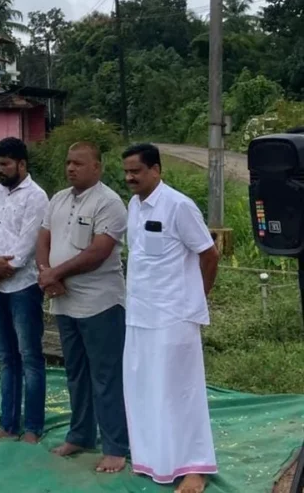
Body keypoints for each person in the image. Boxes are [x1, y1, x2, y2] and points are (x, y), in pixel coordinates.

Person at [122, 143, 219, 493]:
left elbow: (209, 254)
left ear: (156, 170)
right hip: (139, 315)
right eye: (126, 172)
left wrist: (197, 297)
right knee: (145, 389)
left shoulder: (179, 205)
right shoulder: (133, 206)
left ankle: (194, 467)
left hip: (174, 316)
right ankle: (154, 460)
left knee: (181, 392)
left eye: (136, 171)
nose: (130, 177)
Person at [35, 141, 129, 473]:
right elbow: (43, 239)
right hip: (64, 302)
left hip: (100, 303)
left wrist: (54, 274)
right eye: (68, 162)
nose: (71, 168)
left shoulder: (109, 203)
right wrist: (46, 273)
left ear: (97, 167)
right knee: (75, 374)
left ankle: (115, 447)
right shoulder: (58, 199)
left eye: (78, 163)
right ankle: (81, 435)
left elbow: (98, 252)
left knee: (106, 376)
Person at [0, 137, 49, 444]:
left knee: (30, 357)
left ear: (22, 164)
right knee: (6, 358)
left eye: (5, 164)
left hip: (23, 288)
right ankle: (8, 423)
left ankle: (33, 427)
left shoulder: (37, 197)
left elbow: (25, 249)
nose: (0, 170)